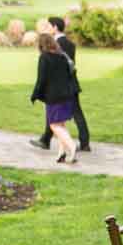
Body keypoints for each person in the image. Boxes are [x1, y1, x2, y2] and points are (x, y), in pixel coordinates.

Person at [32, 15, 89, 152]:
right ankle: (83, 142)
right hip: (71, 85)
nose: (47, 28)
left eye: (49, 26)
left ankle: (47, 140)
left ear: (55, 27)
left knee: (55, 115)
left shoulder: (55, 45)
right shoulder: (70, 44)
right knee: (76, 113)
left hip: (60, 87)